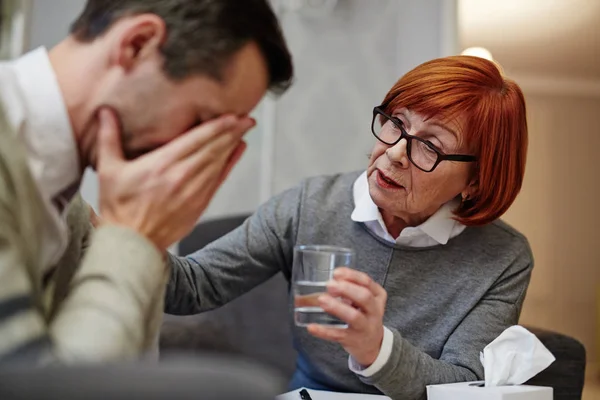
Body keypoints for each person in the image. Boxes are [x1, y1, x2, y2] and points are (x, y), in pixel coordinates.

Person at [166, 56, 531, 399]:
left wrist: (377, 349)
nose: (395, 153)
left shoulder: (502, 258)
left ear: (476, 181)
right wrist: (118, 232)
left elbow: (465, 384)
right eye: (396, 124)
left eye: (429, 147)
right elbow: (193, 286)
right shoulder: (310, 205)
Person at [0, 0, 292, 364]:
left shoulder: (64, 200)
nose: (199, 155)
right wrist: (133, 236)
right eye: (202, 121)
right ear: (137, 44)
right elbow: (43, 389)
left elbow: (132, 368)